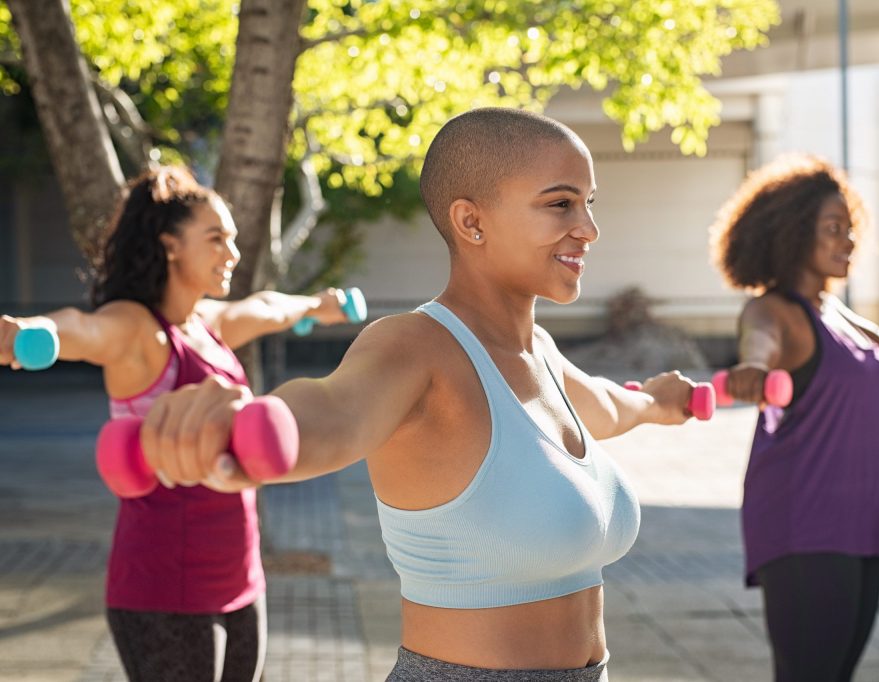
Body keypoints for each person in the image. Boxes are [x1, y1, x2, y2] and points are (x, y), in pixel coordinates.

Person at [119, 108, 707, 681]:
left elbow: (606, 405)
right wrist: (246, 428)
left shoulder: (542, 355)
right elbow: (334, 410)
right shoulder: (415, 346)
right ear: (471, 223)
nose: (588, 228)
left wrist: (659, 402)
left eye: (588, 203)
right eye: (559, 203)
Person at [0, 166, 357, 682]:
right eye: (215, 239)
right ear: (170, 245)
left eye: (232, 239)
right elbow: (87, 328)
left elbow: (265, 306)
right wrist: (39, 331)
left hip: (240, 579)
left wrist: (318, 307)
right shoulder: (140, 330)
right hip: (164, 588)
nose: (231, 253)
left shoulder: (208, 325)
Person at [709, 154, 879, 682]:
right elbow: (760, 342)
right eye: (833, 229)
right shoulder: (773, 310)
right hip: (806, 521)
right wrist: (753, 369)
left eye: (851, 229)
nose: (848, 242)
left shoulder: (834, 311)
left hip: (864, 519)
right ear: (795, 233)